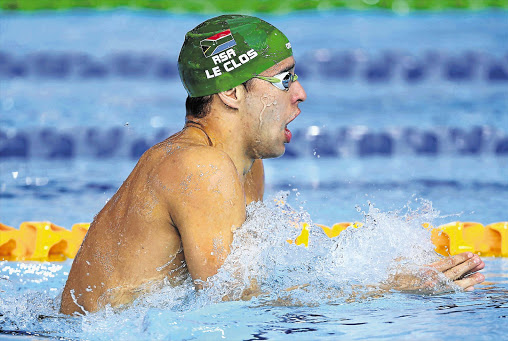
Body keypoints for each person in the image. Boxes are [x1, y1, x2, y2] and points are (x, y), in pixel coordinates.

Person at [60, 15, 485, 315]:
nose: (300, 93)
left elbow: (243, 286)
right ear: (232, 93)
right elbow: (231, 300)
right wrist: (387, 288)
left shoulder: (243, 165)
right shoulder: (197, 166)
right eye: (284, 79)